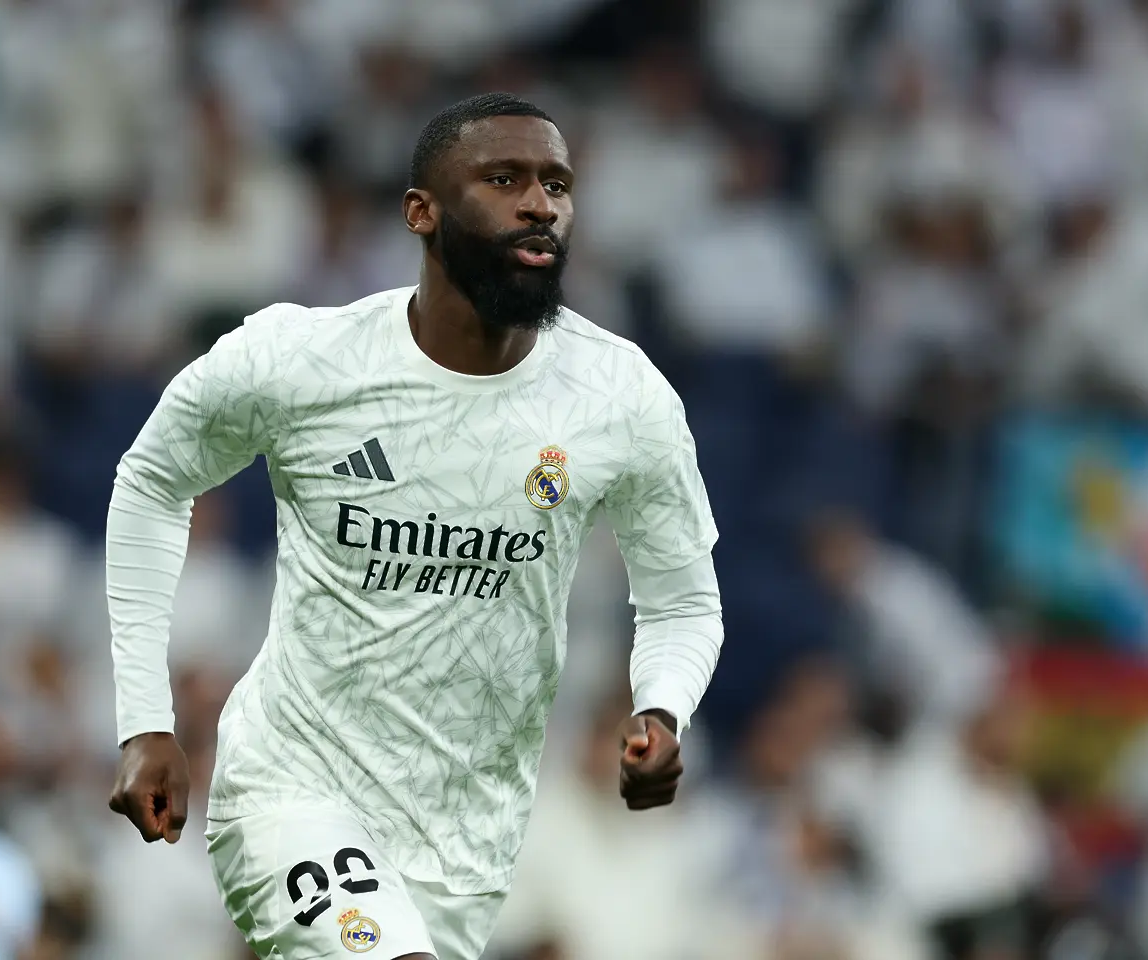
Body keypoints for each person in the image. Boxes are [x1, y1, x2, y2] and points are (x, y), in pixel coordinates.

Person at [105, 92, 724, 960]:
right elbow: (150, 483)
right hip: (293, 793)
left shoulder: (621, 396)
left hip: (470, 844)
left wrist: (662, 708)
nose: (539, 204)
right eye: (504, 179)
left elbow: (683, 600)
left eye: (556, 184)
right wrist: (145, 721)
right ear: (421, 213)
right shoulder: (302, 361)